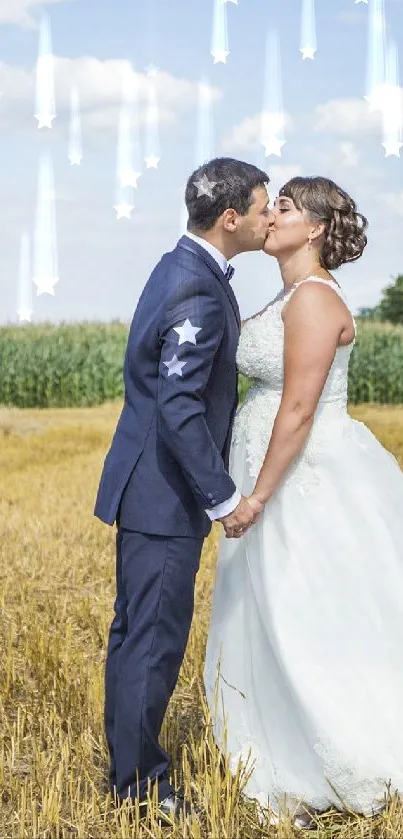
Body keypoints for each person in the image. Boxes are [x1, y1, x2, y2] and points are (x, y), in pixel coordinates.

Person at [204, 175, 403, 829]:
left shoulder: (315, 298)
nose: (271, 214)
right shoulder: (288, 293)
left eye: (284, 207)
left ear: (314, 227)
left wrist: (256, 493)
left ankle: (336, 752)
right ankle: (276, 731)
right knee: (271, 611)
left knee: (303, 612)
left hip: (300, 480)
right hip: (272, 473)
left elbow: (297, 407)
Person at [93, 157, 271, 823]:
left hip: (146, 490)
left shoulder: (181, 267)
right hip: (164, 496)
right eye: (260, 206)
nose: (266, 216)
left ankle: (126, 768)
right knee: (153, 639)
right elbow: (179, 406)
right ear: (230, 218)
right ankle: (140, 784)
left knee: (136, 632)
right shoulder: (195, 287)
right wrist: (222, 497)